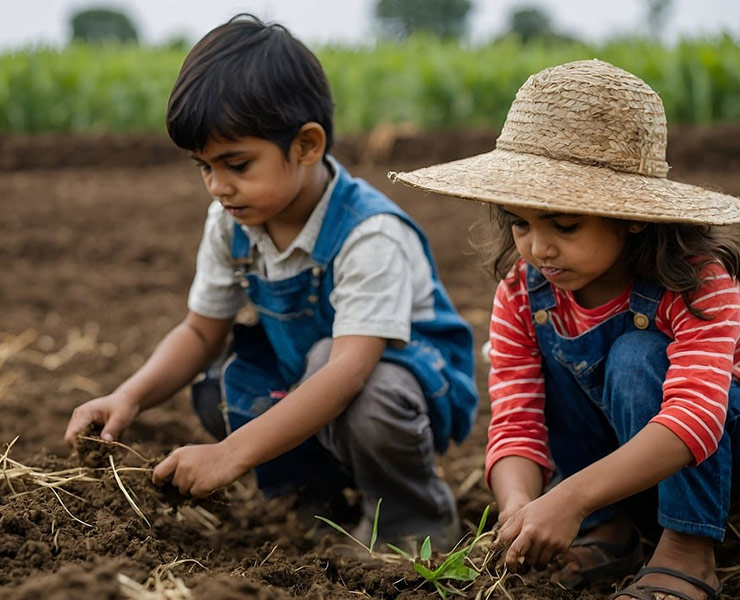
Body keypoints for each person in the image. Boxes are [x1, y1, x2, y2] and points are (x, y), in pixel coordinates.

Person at [64, 13, 479, 545]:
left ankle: (413, 520)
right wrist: (129, 397)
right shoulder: (231, 223)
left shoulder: (368, 234)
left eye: (237, 164)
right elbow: (199, 332)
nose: (218, 186)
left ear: (306, 145)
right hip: (312, 374)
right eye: (203, 167)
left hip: (404, 389)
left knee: (347, 379)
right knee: (220, 385)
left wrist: (230, 455)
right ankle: (313, 501)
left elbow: (350, 371)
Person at [390, 59, 740, 600]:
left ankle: (689, 548)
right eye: (520, 223)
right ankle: (610, 528)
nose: (538, 248)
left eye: (565, 225)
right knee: (565, 369)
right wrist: (521, 509)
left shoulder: (697, 283)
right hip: (608, 480)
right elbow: (516, 418)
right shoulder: (523, 294)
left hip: (715, 466)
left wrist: (570, 498)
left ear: (634, 215)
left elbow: (694, 420)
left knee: (636, 357)